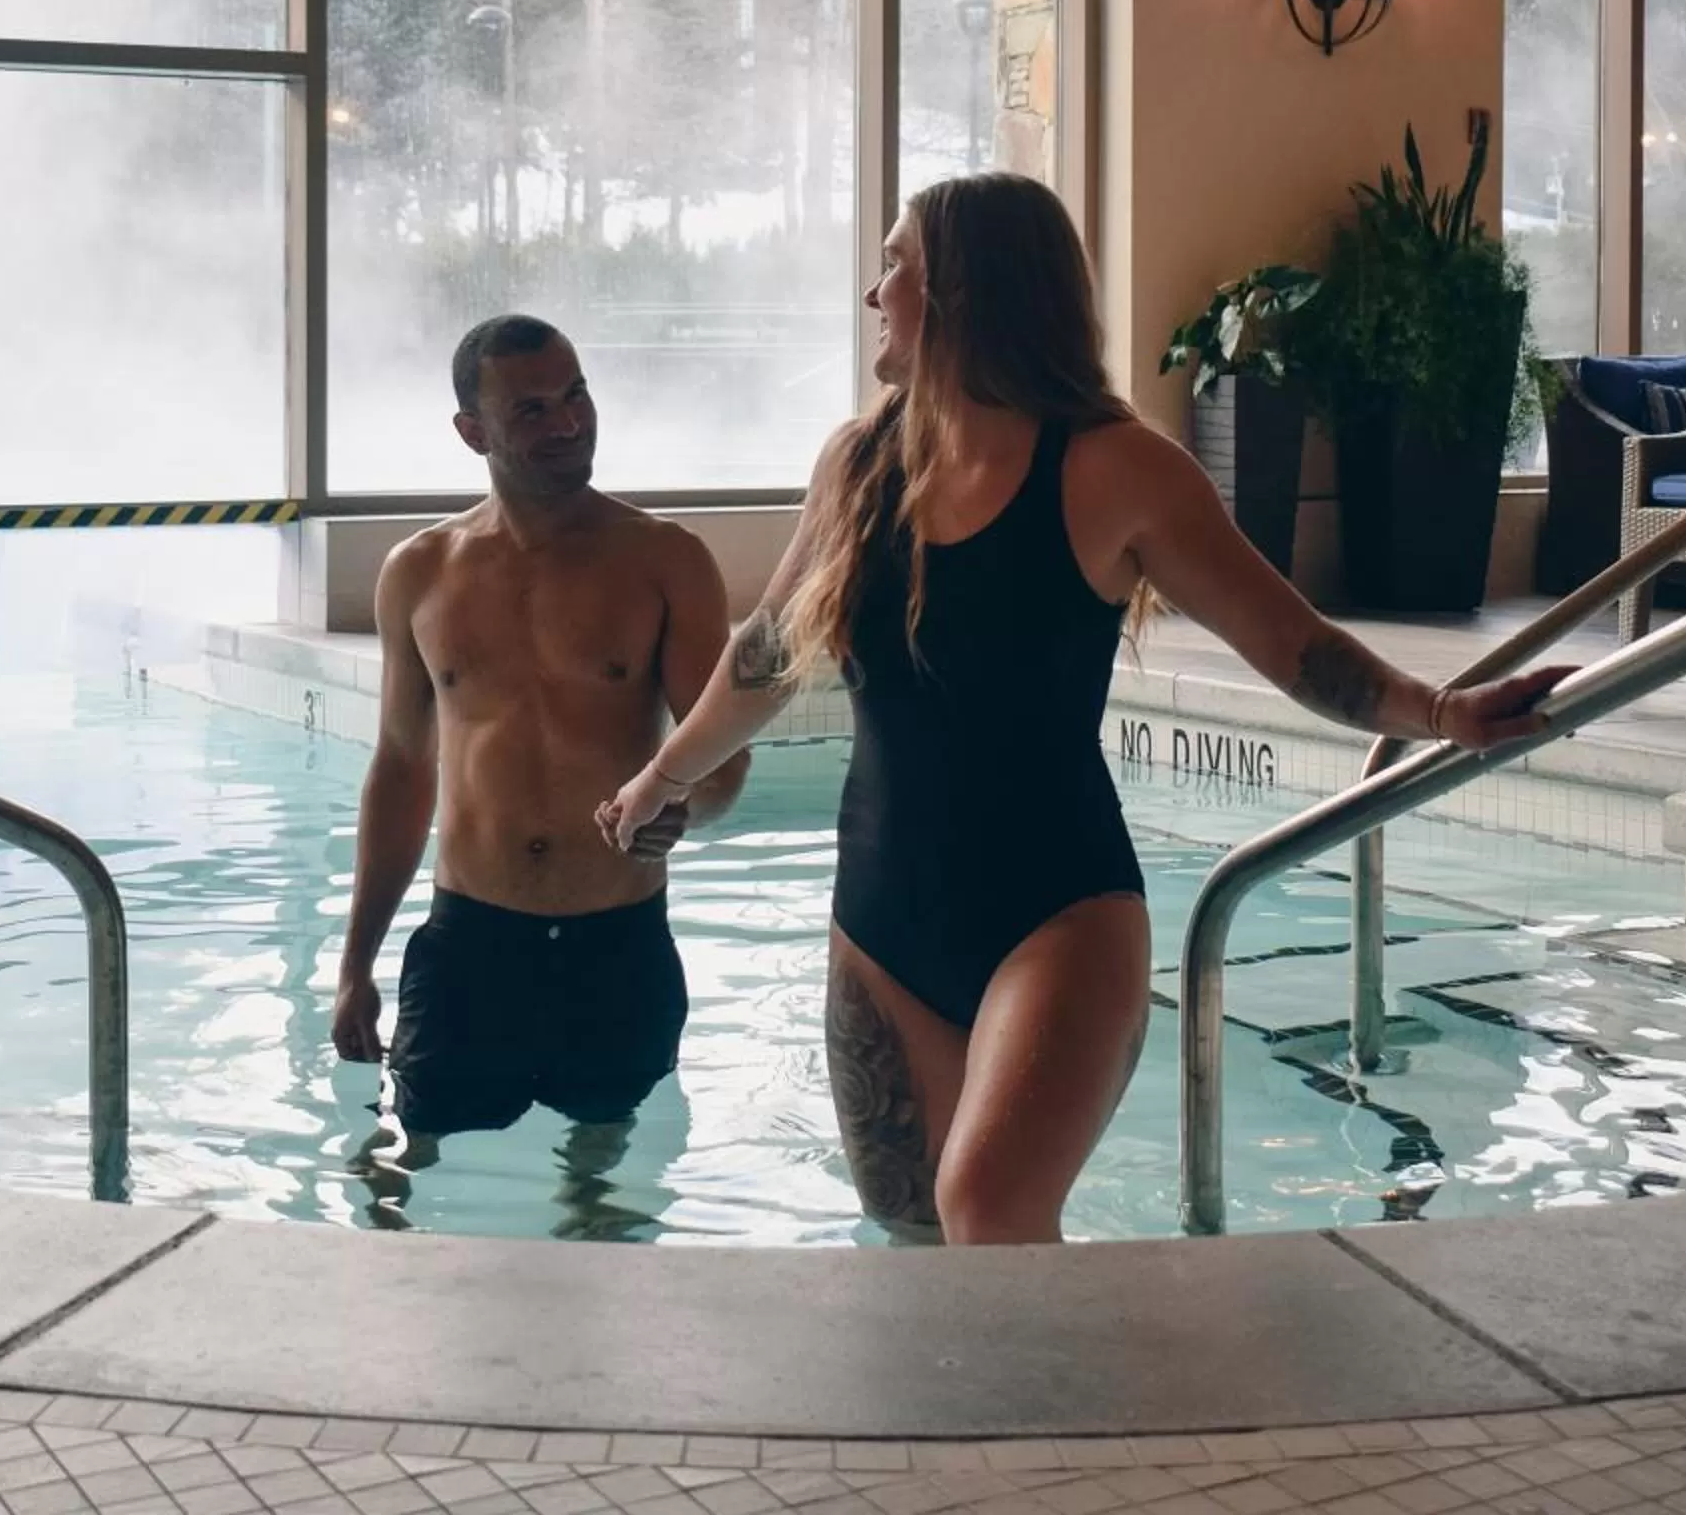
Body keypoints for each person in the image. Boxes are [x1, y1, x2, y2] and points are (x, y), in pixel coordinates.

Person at [596, 176, 1568, 1245]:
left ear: (962, 288)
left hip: (1058, 914)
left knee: (991, 1208)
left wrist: (1438, 709)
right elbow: (764, 657)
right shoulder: (860, 465)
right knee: (913, 1232)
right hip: (882, 917)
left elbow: (1289, 639)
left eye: (896, 266)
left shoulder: (1112, 468)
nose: (875, 293)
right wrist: (662, 777)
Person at [334, 313, 750, 1142]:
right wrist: (355, 966)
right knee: (416, 1174)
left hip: (617, 941)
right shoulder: (420, 572)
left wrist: (684, 809)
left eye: (576, 395)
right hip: (469, 943)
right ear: (471, 431)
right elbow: (402, 768)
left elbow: (722, 750)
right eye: (531, 409)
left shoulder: (665, 561)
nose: (567, 423)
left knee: (606, 1184)